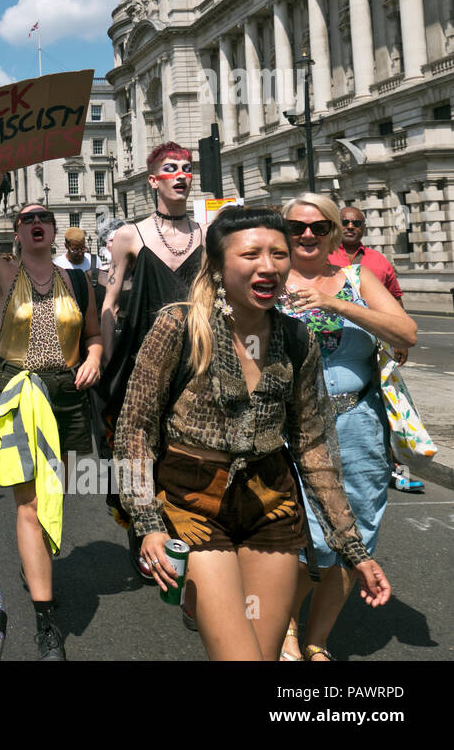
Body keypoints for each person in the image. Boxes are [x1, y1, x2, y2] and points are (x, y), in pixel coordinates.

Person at [116, 204, 391, 661]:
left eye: (278, 254)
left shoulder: (297, 339)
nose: (268, 266)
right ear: (219, 265)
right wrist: (146, 523)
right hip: (195, 506)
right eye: (251, 255)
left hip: (271, 505)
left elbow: (314, 448)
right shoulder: (178, 325)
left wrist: (352, 548)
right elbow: (134, 430)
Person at [0, 176, 102, 660]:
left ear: (54, 230)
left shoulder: (77, 280)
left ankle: (40, 571)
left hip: (68, 394)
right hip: (16, 392)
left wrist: (93, 357)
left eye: (43, 218)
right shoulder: (3, 273)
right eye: (27, 218)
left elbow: (93, 334)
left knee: (58, 496)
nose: (36, 223)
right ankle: (45, 621)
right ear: (16, 231)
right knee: (30, 503)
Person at [277, 193, 415, 661]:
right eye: (297, 227)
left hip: (358, 425)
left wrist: (335, 303)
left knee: (352, 538)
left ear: (335, 230)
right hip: (292, 429)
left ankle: (317, 640)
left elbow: (406, 332)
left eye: (319, 226)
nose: (308, 235)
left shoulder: (357, 278)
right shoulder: (269, 281)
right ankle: (286, 630)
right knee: (304, 539)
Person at [97, 143, 204, 564]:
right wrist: (105, 356)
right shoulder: (130, 235)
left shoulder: (205, 235)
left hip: (195, 359)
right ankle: (144, 529)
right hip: (142, 358)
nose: (181, 175)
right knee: (140, 445)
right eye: (170, 168)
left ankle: (187, 535)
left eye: (186, 168)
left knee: (187, 449)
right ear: (153, 180)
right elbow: (110, 301)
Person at [330, 205, 420, 493]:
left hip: (376, 345)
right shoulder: (325, 256)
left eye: (356, 223)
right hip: (337, 345)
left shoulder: (379, 261)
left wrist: (397, 340)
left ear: (364, 228)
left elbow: (395, 301)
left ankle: (390, 464)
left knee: (384, 404)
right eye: (344, 222)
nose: (350, 226)